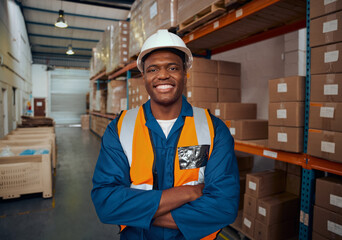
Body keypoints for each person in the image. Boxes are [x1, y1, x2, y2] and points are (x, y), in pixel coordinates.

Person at [91, 29, 240, 240]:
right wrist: (188, 192)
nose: (162, 75)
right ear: (143, 76)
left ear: (185, 73)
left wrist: (135, 212)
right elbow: (106, 202)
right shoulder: (120, 128)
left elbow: (224, 206)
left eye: (172, 67)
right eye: (153, 69)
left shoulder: (213, 129)